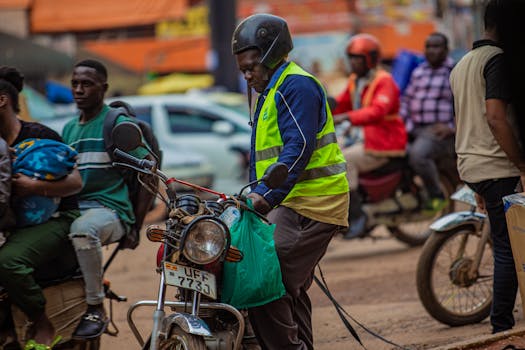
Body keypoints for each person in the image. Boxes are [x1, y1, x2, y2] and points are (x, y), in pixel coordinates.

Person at [231, 14, 349, 350]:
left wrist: (264, 196)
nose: (247, 75)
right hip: (290, 199)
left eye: (252, 66)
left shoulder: (296, 86)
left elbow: (299, 149)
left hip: (313, 200)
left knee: (264, 278)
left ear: (271, 56)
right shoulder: (271, 89)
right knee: (286, 288)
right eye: (242, 69)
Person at [449, 0, 525, 334]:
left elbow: (462, 121)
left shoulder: (462, 64)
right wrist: (521, 164)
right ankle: (503, 327)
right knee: (508, 249)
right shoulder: (497, 61)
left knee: (507, 244)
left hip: (473, 167)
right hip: (498, 166)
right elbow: (495, 118)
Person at [62, 59, 151, 339]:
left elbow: (149, 172)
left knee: (83, 232)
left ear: (104, 88)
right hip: (76, 209)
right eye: (75, 83)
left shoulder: (116, 124)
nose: (79, 89)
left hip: (110, 211)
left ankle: (95, 307)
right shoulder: (68, 130)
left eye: (87, 84)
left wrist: (136, 225)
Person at [0, 66, 82, 346]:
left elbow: (76, 183)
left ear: (2, 100)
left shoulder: (39, 135)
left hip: (58, 218)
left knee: (8, 262)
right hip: (12, 222)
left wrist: (34, 187)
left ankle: (41, 322)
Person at [331, 33, 407, 239]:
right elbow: (341, 103)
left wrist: (346, 117)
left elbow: (377, 111)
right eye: (352, 58)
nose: (353, 63)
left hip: (383, 142)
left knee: (344, 161)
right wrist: (322, 108)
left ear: (371, 59)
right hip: (361, 138)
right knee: (328, 153)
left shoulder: (385, 81)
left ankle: (357, 216)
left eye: (358, 59)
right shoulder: (356, 80)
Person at [400, 32, 455, 214]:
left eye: (436, 46)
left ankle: (436, 196)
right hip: (414, 128)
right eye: (428, 46)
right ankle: (409, 194)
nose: (431, 51)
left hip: (436, 130)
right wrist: (405, 124)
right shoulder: (419, 71)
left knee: (418, 156)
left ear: (446, 49)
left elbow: (465, 103)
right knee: (392, 154)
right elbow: (406, 100)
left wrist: (452, 127)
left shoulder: (454, 71)